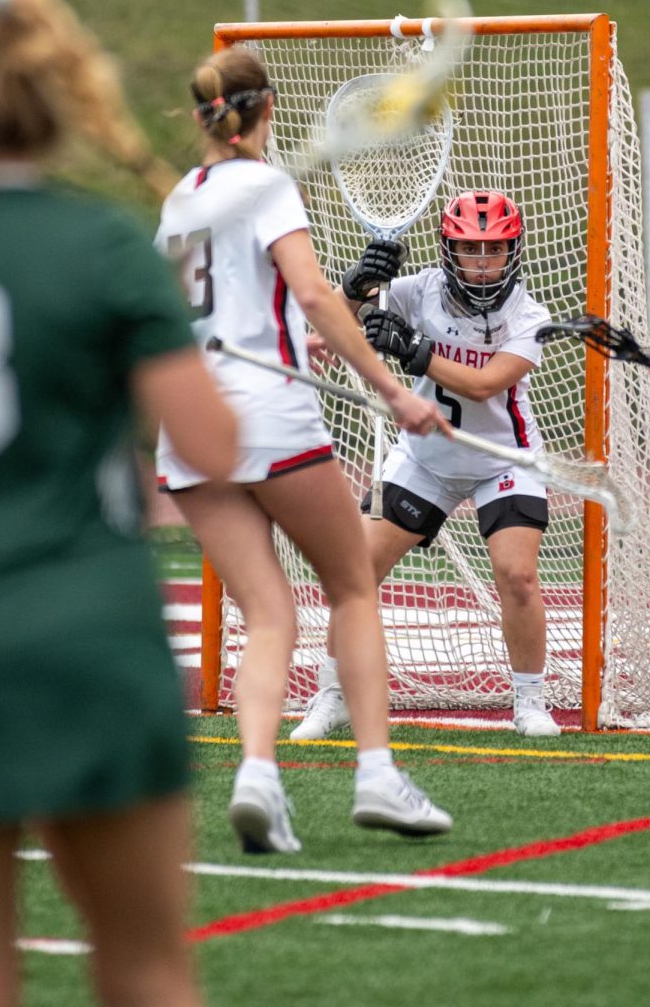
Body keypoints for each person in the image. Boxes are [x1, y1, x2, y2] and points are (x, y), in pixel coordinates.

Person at [0, 0, 239, 1007]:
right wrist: (160, 321)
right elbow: (212, 448)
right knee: (143, 967)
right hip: (86, 631)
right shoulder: (105, 245)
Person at [155, 46, 454, 854]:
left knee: (266, 613)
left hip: (190, 430)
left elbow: (215, 316)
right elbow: (315, 292)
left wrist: (295, 343)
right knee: (352, 587)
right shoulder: (269, 186)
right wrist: (393, 392)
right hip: (268, 420)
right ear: (269, 107)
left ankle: (257, 777)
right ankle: (377, 775)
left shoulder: (181, 198)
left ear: (200, 117)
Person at [292, 190, 562, 741]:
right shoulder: (416, 291)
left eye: (495, 249)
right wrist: (352, 287)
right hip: (423, 457)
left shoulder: (530, 315)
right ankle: (334, 693)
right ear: (449, 249)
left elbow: (486, 383)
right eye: (470, 248)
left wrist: (412, 349)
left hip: (501, 460)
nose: (482, 261)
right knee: (355, 573)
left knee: (518, 575)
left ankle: (530, 701)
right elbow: (329, 328)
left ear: (514, 250)